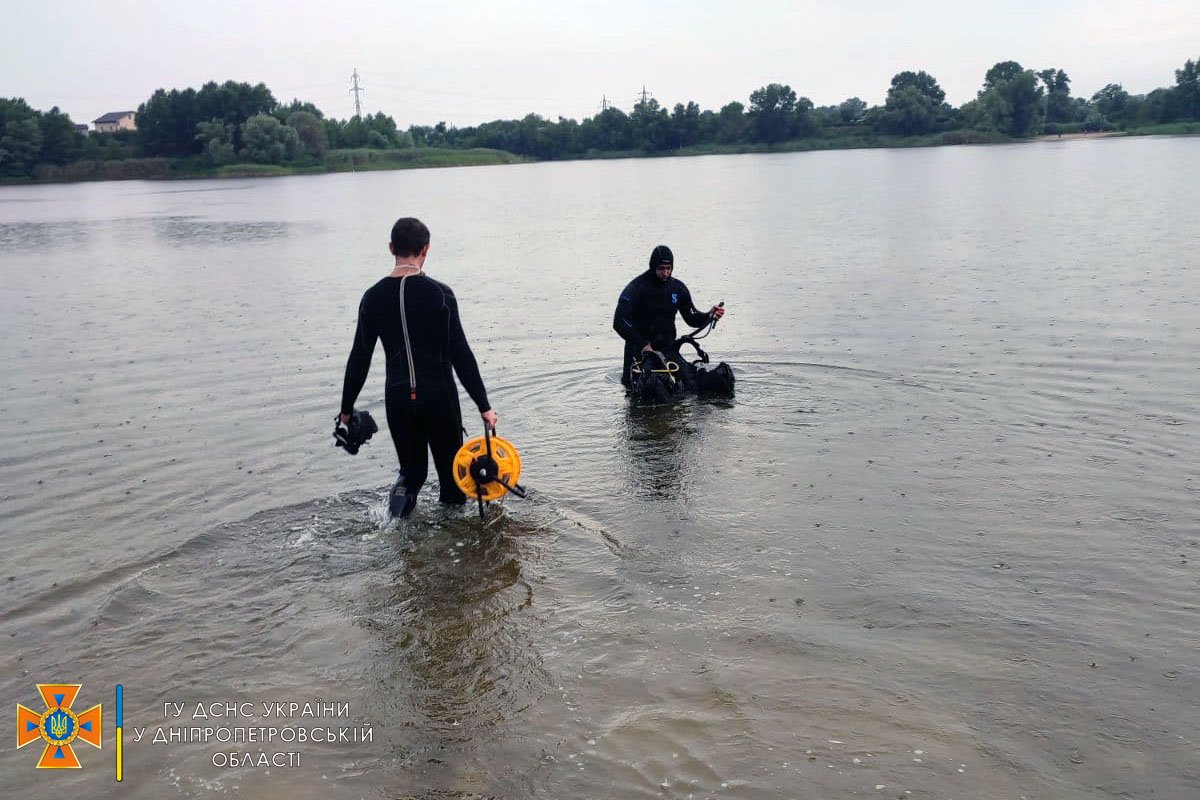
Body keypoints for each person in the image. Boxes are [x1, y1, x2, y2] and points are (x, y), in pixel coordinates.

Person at [340, 217, 499, 518]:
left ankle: (396, 527)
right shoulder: (439, 293)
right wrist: (484, 406)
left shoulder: (372, 298)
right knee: (453, 483)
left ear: (391, 248)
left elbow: (359, 357)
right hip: (439, 397)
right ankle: (451, 547)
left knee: (412, 475)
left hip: (398, 400)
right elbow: (460, 353)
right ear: (425, 249)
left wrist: (346, 409)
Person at [612, 244, 726, 391]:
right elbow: (619, 322)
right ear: (653, 267)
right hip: (640, 352)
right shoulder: (637, 288)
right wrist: (643, 344)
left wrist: (710, 315)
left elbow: (692, 318)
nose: (665, 273)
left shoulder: (678, 289)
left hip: (668, 351)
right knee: (641, 392)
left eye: (668, 268)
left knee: (691, 387)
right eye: (661, 269)